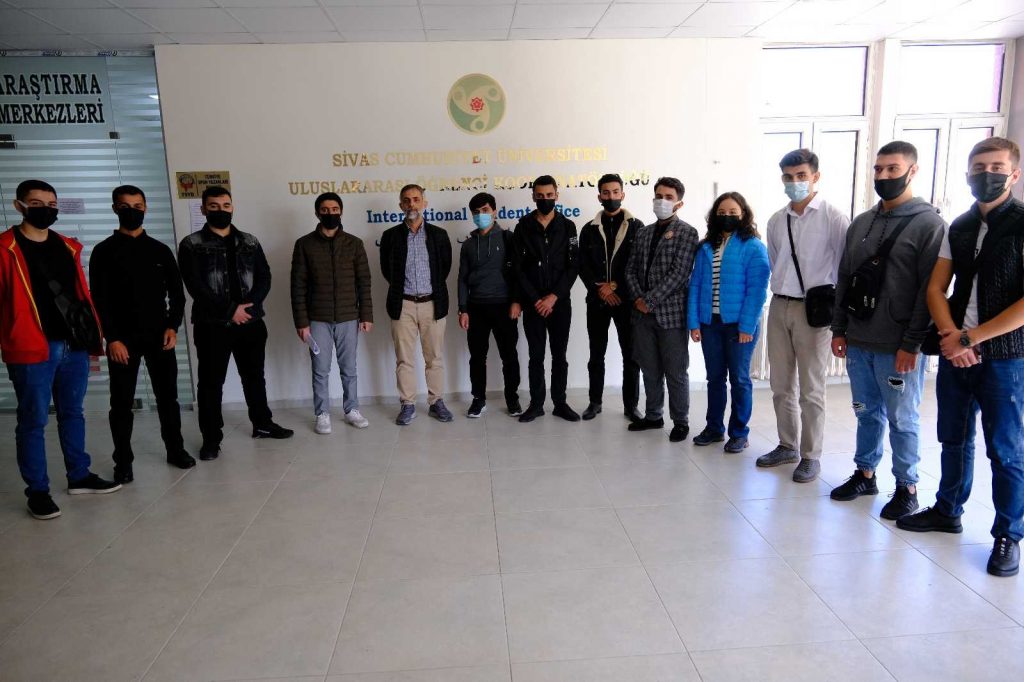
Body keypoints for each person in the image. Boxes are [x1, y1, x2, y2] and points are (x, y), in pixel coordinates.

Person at [898, 136, 1024, 578]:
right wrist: (952, 337)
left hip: (1004, 357)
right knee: (953, 438)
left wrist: (971, 338)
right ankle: (948, 509)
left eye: (996, 167)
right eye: (978, 167)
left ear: (1014, 174)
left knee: (1005, 450)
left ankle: (1008, 534)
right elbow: (936, 288)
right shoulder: (961, 225)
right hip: (956, 349)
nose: (986, 175)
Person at [829, 141, 945, 520]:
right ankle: (865, 473)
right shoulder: (862, 222)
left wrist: (912, 343)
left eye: (892, 169)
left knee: (902, 418)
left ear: (912, 171)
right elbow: (845, 277)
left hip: (898, 347)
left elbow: (930, 291)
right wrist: (839, 329)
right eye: (878, 169)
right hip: (858, 341)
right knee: (865, 411)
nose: (883, 176)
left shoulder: (929, 225)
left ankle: (907, 487)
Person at [1, 179, 120, 519]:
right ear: (19, 206)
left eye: (51, 203)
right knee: (33, 420)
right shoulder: (5, 248)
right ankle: (38, 491)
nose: (46, 209)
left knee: (73, 413)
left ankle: (78, 475)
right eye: (36, 203)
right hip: (33, 347)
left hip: (74, 344)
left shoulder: (67, 246)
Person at [178, 185, 293, 461]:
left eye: (226, 205)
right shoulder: (191, 244)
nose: (221, 210)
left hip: (251, 323)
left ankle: (262, 424)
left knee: (254, 377)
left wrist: (247, 308)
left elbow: (264, 277)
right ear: (204, 209)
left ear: (232, 207)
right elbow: (195, 285)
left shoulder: (249, 241)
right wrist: (230, 310)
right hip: (211, 325)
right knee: (210, 383)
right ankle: (211, 439)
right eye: (214, 206)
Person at [90, 184, 193, 484]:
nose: (132, 211)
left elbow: (177, 295)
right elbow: (99, 300)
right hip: (122, 340)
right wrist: (112, 338)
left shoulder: (160, 250)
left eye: (137, 206)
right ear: (115, 209)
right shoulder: (103, 251)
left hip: (160, 336)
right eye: (125, 207)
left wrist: (173, 326)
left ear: (145, 208)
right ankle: (123, 461)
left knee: (168, 398)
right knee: (121, 403)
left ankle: (175, 450)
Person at [758, 149, 850, 482]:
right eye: (788, 176)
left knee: (811, 388)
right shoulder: (776, 220)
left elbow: (844, 268)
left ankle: (811, 455)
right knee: (780, 384)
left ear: (815, 177)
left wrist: (840, 322)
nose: (794, 182)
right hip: (780, 305)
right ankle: (787, 445)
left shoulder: (833, 218)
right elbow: (775, 262)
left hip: (816, 310)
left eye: (801, 176)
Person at [688, 192, 770, 452]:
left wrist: (747, 326)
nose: (727, 216)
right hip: (710, 324)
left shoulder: (753, 246)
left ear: (743, 214)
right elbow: (695, 285)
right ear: (714, 216)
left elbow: (757, 291)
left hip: (738, 326)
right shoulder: (705, 247)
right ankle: (714, 428)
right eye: (722, 212)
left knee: (740, 380)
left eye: (733, 212)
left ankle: (739, 433)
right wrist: (694, 322)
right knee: (714, 378)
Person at [290, 192, 373, 434]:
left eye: (334, 209)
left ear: (341, 212)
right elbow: (297, 286)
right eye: (325, 210)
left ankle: (352, 409)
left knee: (349, 369)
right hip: (317, 320)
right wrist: (301, 322)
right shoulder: (304, 244)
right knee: (320, 369)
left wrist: (366, 315)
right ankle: (322, 413)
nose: (330, 213)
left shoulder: (354, 244)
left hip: (349, 317)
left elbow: (364, 282)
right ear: (317, 213)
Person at [625, 176, 699, 442]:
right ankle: (653, 416)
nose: (662, 201)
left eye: (668, 197)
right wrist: (638, 299)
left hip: (671, 316)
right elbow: (630, 269)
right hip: (641, 315)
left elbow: (679, 274)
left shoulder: (687, 232)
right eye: (659, 196)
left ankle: (680, 421)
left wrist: (650, 300)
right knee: (649, 369)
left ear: (679, 203)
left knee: (675, 372)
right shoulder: (643, 232)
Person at [379, 184, 454, 425]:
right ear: (400, 205)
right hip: (403, 305)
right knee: (404, 359)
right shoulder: (390, 236)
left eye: (416, 199)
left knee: (435, 357)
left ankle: (436, 402)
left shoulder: (439, 235)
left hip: (433, 303)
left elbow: (444, 269)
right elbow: (387, 271)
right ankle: (407, 404)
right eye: (406, 200)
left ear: (424, 203)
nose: (411, 204)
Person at [512, 175, 581, 423]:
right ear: (533, 197)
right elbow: (518, 268)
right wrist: (535, 299)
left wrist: (553, 296)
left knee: (559, 355)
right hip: (533, 304)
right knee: (536, 357)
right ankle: (536, 404)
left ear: (556, 196)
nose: (545, 200)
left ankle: (560, 403)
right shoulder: (523, 226)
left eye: (549, 195)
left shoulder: (568, 226)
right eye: (540, 196)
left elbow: (573, 266)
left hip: (559, 303)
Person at [578, 173, 643, 422]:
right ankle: (595, 402)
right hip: (597, 302)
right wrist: (601, 290)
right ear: (599, 196)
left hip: (626, 302)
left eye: (615, 192)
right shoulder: (589, 229)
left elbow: (638, 264)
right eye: (606, 192)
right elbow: (582, 265)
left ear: (623, 194)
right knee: (596, 354)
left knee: (631, 355)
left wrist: (615, 286)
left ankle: (631, 406)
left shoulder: (637, 226)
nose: (611, 196)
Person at [457, 191, 522, 418]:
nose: (481, 215)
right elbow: (462, 279)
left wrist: (516, 301)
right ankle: (478, 399)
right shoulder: (468, 244)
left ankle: (512, 398)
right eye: (476, 212)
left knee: (509, 356)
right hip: (476, 308)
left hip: (504, 306)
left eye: (485, 210)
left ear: (495, 211)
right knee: (477, 357)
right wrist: (463, 309)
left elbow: (518, 273)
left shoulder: (508, 238)